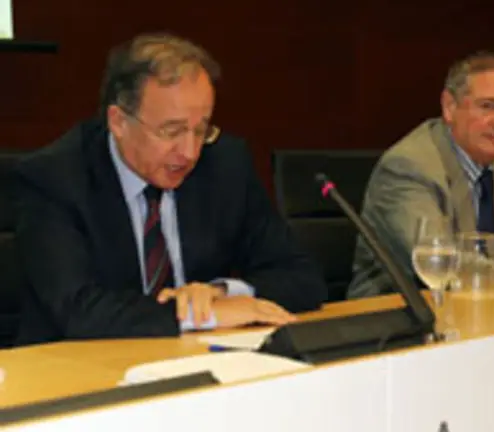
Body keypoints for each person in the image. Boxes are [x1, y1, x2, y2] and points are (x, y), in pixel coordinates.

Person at [13, 33, 327, 345]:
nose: (189, 152)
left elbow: (302, 277)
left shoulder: (224, 164)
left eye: (201, 129)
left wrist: (220, 293)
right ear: (119, 122)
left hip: (195, 364)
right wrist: (199, 315)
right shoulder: (55, 178)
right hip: (75, 374)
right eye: (171, 131)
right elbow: (78, 311)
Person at [348, 51, 494, 299]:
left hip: (493, 309)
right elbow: (442, 262)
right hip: (400, 318)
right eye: (488, 106)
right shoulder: (408, 166)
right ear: (449, 107)